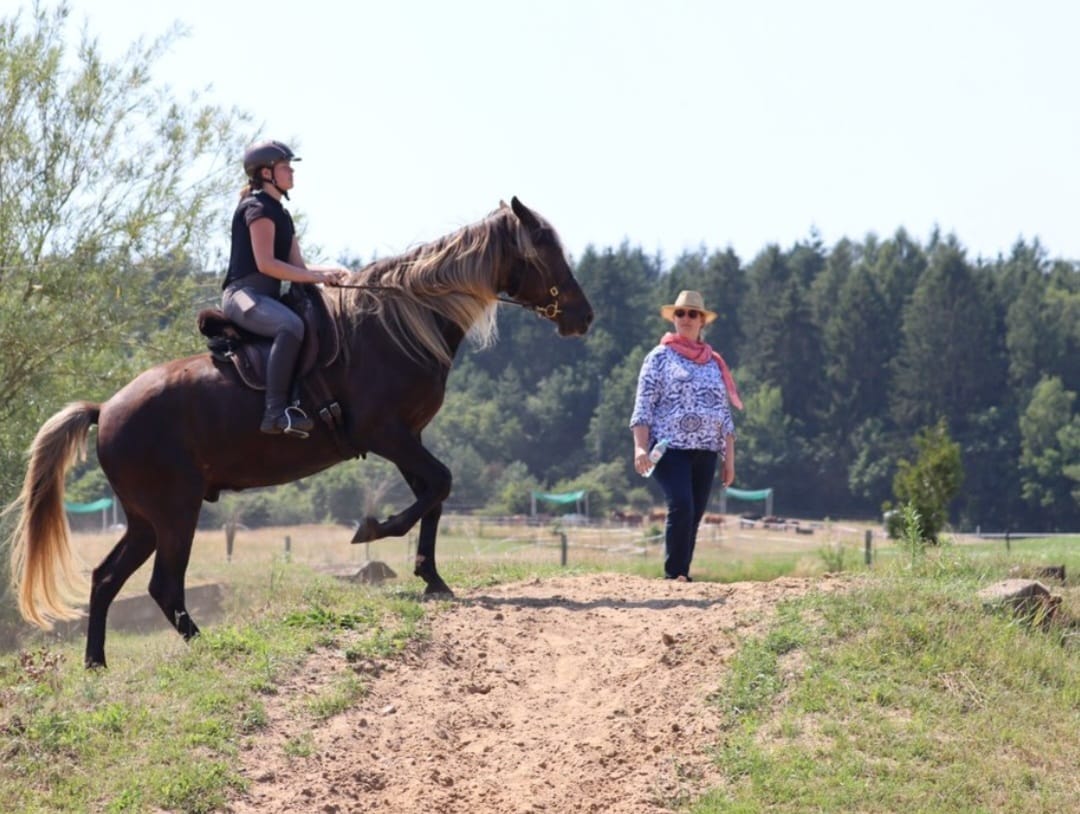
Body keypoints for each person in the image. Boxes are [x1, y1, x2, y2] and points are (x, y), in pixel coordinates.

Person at [222, 140, 351, 436]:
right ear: (267, 174)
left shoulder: (281, 213)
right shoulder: (257, 208)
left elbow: (299, 269)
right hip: (242, 296)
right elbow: (267, 265)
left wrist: (332, 272)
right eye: (285, 167)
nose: (292, 172)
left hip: (264, 297)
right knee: (289, 325)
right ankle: (275, 412)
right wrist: (316, 277)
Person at [629, 290, 742, 581]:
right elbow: (643, 406)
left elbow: (723, 414)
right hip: (670, 448)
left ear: (702, 321)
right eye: (680, 313)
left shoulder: (714, 362)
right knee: (681, 503)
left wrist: (729, 460)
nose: (686, 318)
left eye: (693, 314)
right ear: (674, 318)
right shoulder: (658, 358)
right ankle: (673, 573)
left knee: (694, 513)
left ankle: (683, 574)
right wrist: (640, 448)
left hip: (705, 451)